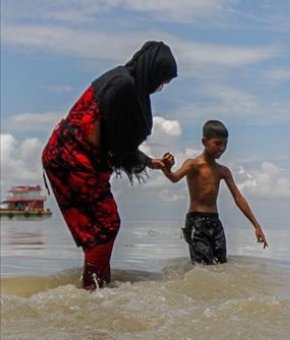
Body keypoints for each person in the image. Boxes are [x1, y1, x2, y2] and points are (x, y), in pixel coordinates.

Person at [41, 41, 177, 290]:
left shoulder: (126, 83)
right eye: (163, 79)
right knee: (105, 224)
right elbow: (101, 134)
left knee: (101, 228)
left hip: (73, 158)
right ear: (152, 70)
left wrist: (149, 161)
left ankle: (95, 286)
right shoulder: (122, 85)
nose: (161, 87)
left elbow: (117, 140)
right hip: (72, 159)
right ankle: (94, 290)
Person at [160, 120, 267, 265]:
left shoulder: (223, 171)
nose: (221, 148)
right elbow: (174, 178)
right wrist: (166, 168)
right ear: (204, 141)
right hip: (196, 222)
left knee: (221, 265)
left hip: (215, 222)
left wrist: (256, 225)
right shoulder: (193, 164)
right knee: (202, 267)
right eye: (217, 143)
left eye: (225, 144)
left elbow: (238, 197)